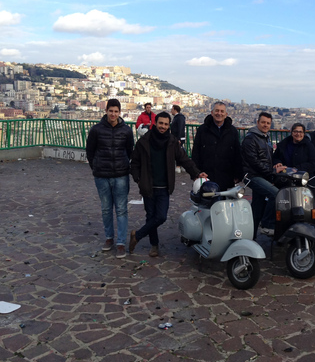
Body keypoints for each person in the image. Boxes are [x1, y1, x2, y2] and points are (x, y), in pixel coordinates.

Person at [128, 112, 206, 257]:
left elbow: (184, 159)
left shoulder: (172, 142)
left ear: (168, 125)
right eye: (160, 123)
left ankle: (137, 235)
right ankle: (154, 245)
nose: (163, 126)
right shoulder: (144, 141)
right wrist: (138, 179)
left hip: (164, 186)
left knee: (161, 216)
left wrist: (196, 173)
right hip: (148, 185)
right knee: (151, 216)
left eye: (165, 124)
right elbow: (135, 162)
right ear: (155, 123)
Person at [86, 98, 134, 258]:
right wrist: (96, 167)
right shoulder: (96, 130)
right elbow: (90, 151)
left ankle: (120, 242)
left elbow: (129, 151)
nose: (113, 114)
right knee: (106, 208)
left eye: (116, 111)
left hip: (120, 175)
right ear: (106, 111)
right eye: (110, 111)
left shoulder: (126, 131)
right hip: (102, 175)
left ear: (119, 113)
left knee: (121, 209)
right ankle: (109, 238)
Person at [242, 112, 285, 236]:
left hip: (261, 175)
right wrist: (271, 172)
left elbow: (266, 159)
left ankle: (251, 236)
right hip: (253, 176)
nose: (265, 125)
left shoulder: (265, 138)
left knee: (257, 207)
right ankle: (267, 224)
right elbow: (254, 162)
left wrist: (273, 167)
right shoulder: (251, 139)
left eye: (268, 123)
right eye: (263, 122)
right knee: (276, 194)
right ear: (257, 123)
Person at [191, 101, 242, 191]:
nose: (219, 113)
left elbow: (237, 154)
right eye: (217, 111)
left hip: (227, 176)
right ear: (212, 113)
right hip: (207, 176)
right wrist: (196, 173)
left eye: (222, 111)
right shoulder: (202, 130)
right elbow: (196, 153)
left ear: (226, 114)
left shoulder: (232, 131)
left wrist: (238, 174)